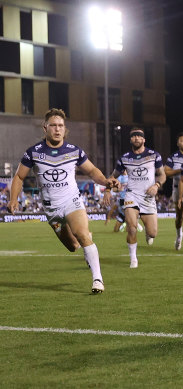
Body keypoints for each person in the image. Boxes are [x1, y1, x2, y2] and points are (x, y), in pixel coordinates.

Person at [7, 108, 120, 293]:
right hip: (52, 210)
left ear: (65, 128)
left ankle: (97, 279)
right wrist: (14, 199)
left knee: (82, 234)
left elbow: (92, 171)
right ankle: (86, 243)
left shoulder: (74, 151)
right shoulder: (33, 152)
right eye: (53, 125)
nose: (57, 129)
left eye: (60, 126)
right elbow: (19, 177)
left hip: (72, 201)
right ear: (45, 128)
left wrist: (105, 181)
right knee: (73, 246)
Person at [104, 128, 166, 268]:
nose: (137, 138)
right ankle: (133, 259)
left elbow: (162, 175)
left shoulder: (154, 155)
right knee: (131, 228)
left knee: (153, 233)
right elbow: (112, 176)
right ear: (130, 140)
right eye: (134, 136)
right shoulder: (124, 158)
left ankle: (148, 234)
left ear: (144, 140)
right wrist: (108, 190)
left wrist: (156, 185)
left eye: (139, 136)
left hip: (148, 198)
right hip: (131, 195)